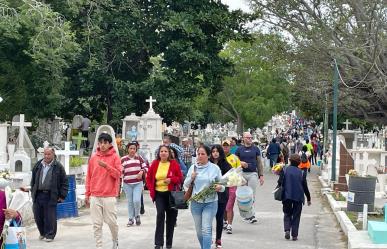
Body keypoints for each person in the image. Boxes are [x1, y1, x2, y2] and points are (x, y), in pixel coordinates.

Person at [184, 145, 225, 249]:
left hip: (210, 203)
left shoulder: (215, 168)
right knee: (199, 231)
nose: (200, 156)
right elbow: (186, 184)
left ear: (208, 155)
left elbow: (223, 185)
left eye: (203, 154)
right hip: (196, 203)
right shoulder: (193, 168)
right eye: (198, 154)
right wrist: (191, 178)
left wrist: (220, 187)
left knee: (206, 229)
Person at [85, 133, 121, 249]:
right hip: (95, 195)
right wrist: (87, 194)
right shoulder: (94, 158)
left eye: (105, 143)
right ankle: (99, 246)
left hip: (109, 195)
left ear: (110, 144)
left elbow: (118, 174)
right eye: (101, 143)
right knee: (96, 224)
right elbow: (89, 177)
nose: (103, 145)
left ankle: (115, 240)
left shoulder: (115, 157)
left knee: (112, 222)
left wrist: (106, 166)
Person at [146, 145, 183, 249]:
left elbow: (180, 178)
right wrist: (151, 189)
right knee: (160, 215)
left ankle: (169, 243)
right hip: (159, 194)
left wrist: (171, 180)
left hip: (171, 194)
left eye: (165, 151)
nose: (163, 153)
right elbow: (148, 178)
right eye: (161, 151)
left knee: (171, 220)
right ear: (159, 153)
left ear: (169, 153)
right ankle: (158, 243)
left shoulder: (174, 163)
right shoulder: (155, 163)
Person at [30, 147, 68, 242]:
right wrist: (32, 190)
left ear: (53, 154)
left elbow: (64, 182)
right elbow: (33, 179)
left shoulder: (58, 166)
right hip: (38, 194)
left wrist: (62, 195)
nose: (46, 156)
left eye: (49, 154)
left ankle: (50, 235)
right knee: (37, 216)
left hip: (51, 195)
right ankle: (42, 233)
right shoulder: (38, 165)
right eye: (45, 154)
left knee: (50, 217)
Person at [277, 154, 311, 241]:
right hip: (298, 197)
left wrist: (279, 174)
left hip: (287, 196)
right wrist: (308, 198)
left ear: (290, 161)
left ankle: (287, 229)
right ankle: (294, 235)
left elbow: (280, 182)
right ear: (299, 162)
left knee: (287, 213)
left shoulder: (284, 170)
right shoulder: (302, 172)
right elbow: (305, 187)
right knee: (296, 215)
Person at [235, 132, 264, 223]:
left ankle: (252, 215)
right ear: (243, 138)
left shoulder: (256, 149)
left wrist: (261, 175)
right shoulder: (239, 149)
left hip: (252, 174)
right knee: (243, 196)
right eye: (248, 137)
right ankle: (245, 214)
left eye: (251, 137)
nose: (250, 139)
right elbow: (235, 162)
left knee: (251, 195)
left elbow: (259, 163)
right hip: (242, 174)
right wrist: (241, 163)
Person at [210, 145, 231, 248]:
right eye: (213, 151)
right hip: (209, 195)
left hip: (222, 195)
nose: (215, 153)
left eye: (217, 151)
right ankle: (208, 237)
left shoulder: (225, 164)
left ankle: (218, 239)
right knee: (208, 218)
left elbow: (230, 178)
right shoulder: (207, 164)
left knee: (219, 218)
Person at [121, 142, 147, 226]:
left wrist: (141, 171)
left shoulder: (139, 158)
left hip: (137, 183)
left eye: (134, 149)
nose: (132, 150)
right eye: (130, 148)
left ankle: (137, 215)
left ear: (136, 150)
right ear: (127, 149)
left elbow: (145, 167)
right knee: (130, 201)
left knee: (136, 200)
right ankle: (131, 219)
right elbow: (120, 170)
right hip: (127, 184)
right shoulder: (123, 159)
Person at [222, 140, 241, 234]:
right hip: (221, 185)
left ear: (230, 147)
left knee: (229, 206)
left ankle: (229, 225)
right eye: (224, 146)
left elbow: (239, 170)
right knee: (223, 205)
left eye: (227, 146)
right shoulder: (219, 158)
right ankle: (225, 221)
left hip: (232, 185)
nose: (225, 148)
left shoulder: (235, 158)